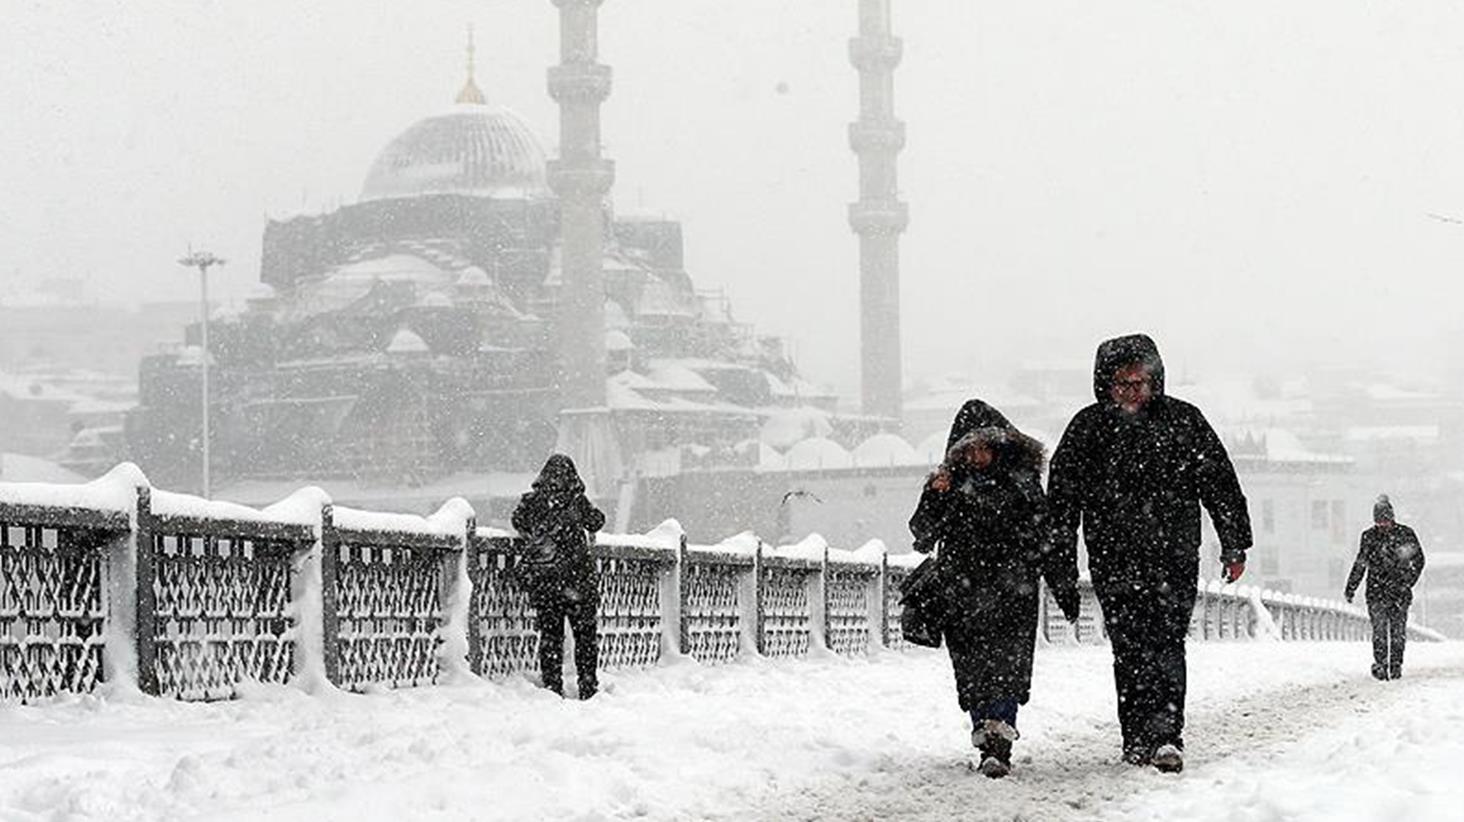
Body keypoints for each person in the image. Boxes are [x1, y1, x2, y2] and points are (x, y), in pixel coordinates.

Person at [1047, 334, 1252, 773]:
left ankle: (1165, 735)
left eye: (1140, 382)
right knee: (1129, 647)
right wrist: (1060, 564)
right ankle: (1136, 736)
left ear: (1155, 381)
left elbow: (1219, 484)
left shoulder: (1183, 422)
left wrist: (1234, 542)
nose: (1132, 392)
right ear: (1106, 384)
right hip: (1113, 559)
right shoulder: (1087, 430)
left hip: (1173, 557)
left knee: (1165, 643)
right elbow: (1061, 504)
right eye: (1123, 383)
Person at [909, 401, 1080, 779]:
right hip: (962, 593)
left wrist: (1063, 585)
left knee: (1007, 668)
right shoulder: (948, 485)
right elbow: (922, 536)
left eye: (984, 446)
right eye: (969, 449)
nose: (978, 456)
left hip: (1012, 593)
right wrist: (935, 495)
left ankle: (998, 742)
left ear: (1001, 445)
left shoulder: (1022, 484)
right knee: (972, 671)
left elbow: (1047, 538)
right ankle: (985, 735)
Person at [511, 454, 606, 699]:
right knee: (585, 638)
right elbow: (596, 522)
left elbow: (517, 521)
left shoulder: (533, 501)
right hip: (578, 582)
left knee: (551, 637)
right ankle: (588, 686)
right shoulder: (576, 501)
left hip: (546, 582)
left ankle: (552, 687)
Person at [1345, 495, 1426, 680]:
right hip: (1376, 593)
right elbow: (1361, 563)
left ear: (1392, 518)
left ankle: (1395, 665)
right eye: (1379, 521)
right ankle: (1381, 664)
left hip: (1399, 592)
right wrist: (1351, 587)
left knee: (1397, 631)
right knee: (1379, 631)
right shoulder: (1368, 537)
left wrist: (1407, 582)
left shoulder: (1406, 534)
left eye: (1385, 521)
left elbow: (1419, 560)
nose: (1382, 525)